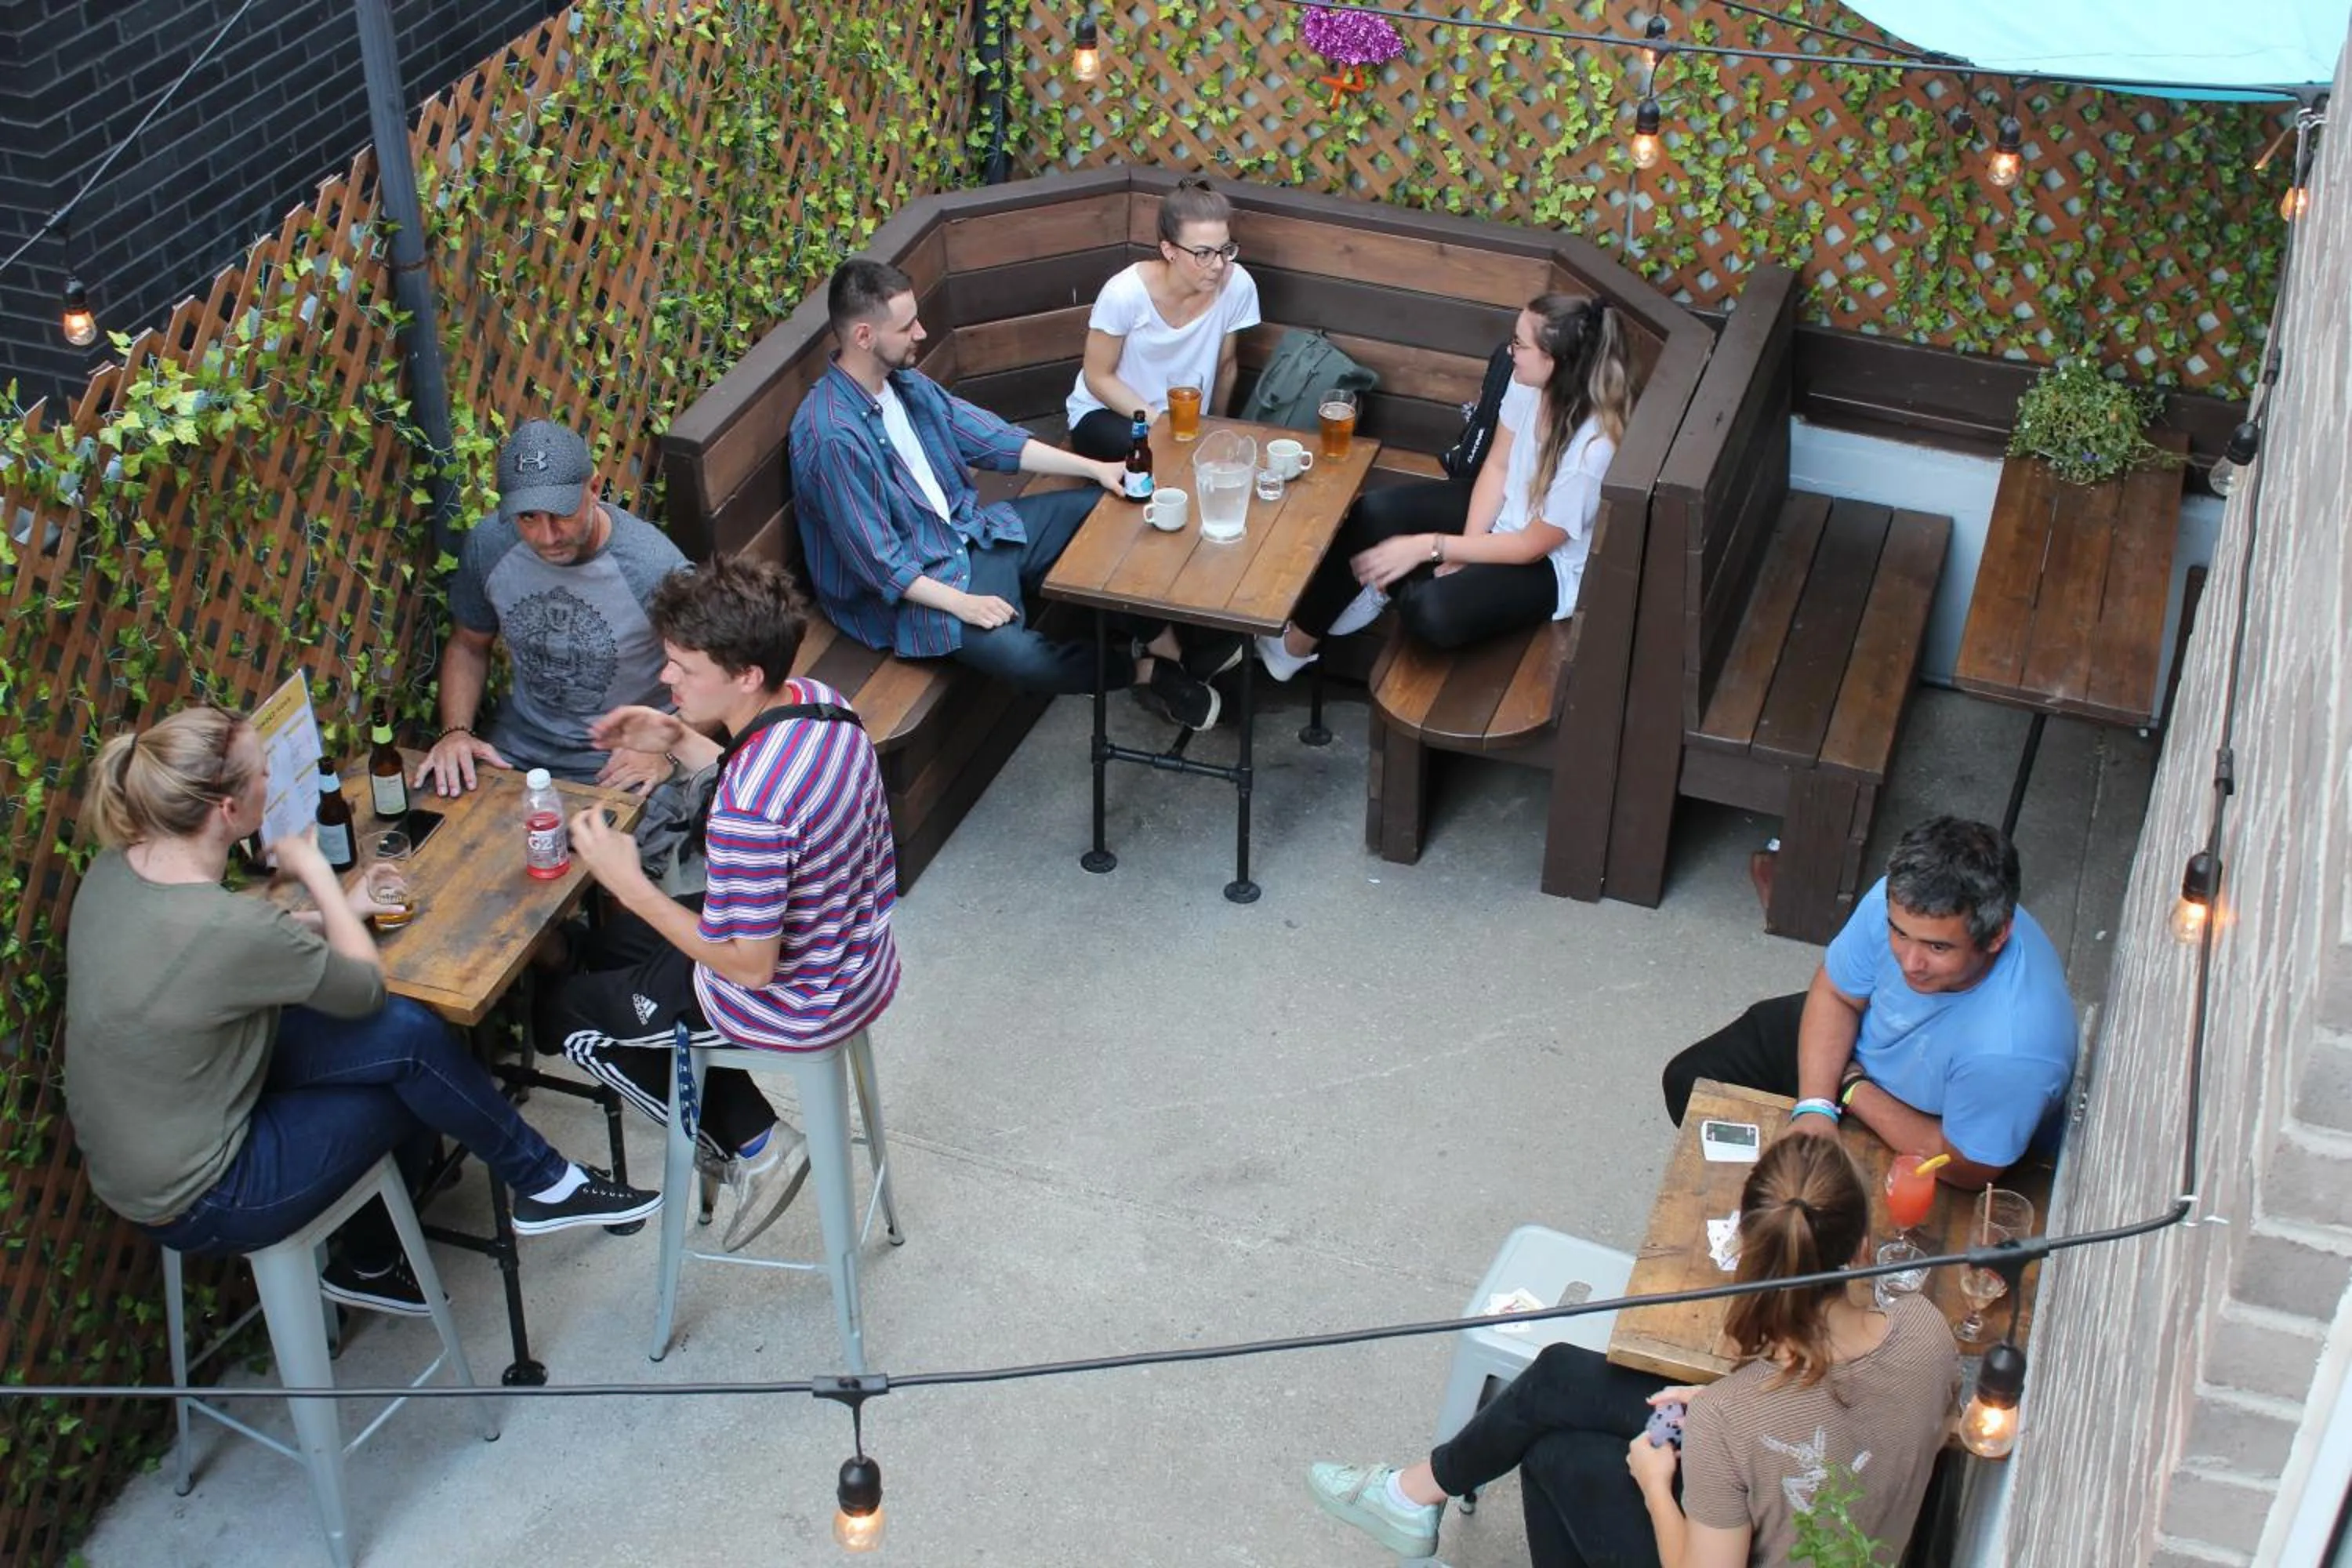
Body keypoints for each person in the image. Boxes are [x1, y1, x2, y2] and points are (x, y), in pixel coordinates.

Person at [63, 707, 660, 1316]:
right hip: (207, 1196)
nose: (272, 779)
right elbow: (360, 990)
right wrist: (320, 875)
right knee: (413, 1072)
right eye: (263, 771)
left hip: (162, 1133)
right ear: (227, 810)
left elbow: (249, 943)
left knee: (408, 1038)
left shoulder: (120, 869)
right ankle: (489, 1207)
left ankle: (504, 1200)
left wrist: (342, 910)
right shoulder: (224, 926)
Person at [1306, 1136, 1958, 1566]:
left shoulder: (1735, 1421)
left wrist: (1654, 1484)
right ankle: (1413, 1495)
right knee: (1562, 1374)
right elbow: (1852, 1405)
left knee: (1555, 1453)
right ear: (1865, 1246)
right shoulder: (1926, 1327)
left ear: (1754, 1259)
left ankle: (1410, 1496)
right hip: (1846, 1518)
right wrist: (1719, 1404)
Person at [542, 554, 902, 1254]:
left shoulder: (748, 810)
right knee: (612, 952)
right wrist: (677, 737)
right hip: (857, 951)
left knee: (562, 1015)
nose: (665, 680)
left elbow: (750, 967)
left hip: (800, 996)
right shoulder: (820, 701)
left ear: (744, 676)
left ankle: (757, 1147)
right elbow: (762, 784)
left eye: (682, 666)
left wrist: (630, 885)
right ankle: (751, 1133)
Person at [791, 257, 1234, 731]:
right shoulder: (830, 437)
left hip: (970, 533)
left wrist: (1098, 469)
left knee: (1121, 513)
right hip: (919, 592)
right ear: (863, 336)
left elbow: (994, 441)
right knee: (1025, 659)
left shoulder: (903, 384)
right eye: (907, 326)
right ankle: (1145, 672)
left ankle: (1162, 642)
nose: (921, 332)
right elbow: (880, 566)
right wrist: (964, 604)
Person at [1661, 816, 2078, 1189]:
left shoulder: (2012, 1050)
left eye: (1936, 946)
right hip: (1863, 1048)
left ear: (1996, 936)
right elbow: (1837, 992)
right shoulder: (1901, 901)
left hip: (1925, 1117)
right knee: (1690, 1080)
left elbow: (1965, 1168)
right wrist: (1815, 1109)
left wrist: (1850, 1089)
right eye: (1899, 934)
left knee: (1834, 1205)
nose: (1910, 963)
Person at [1255, 292, 1632, 681]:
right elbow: (1499, 465)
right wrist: (1468, 548)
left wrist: (1429, 546)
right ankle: (1294, 648)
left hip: (1546, 567)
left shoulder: (1593, 448)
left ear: (1555, 361)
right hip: (1503, 513)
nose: (1510, 350)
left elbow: (1529, 547)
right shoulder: (1529, 383)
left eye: (1520, 344)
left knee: (1430, 612)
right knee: (1374, 512)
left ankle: (1390, 582)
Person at [412, 419, 699, 875]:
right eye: (528, 518)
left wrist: (666, 748)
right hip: (521, 750)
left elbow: (717, 677)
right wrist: (456, 734)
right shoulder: (490, 545)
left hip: (623, 761)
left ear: (594, 486)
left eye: (561, 514)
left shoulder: (653, 568)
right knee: (451, 858)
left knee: (653, 879)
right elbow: (469, 645)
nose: (546, 536)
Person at [1062, 176, 1261, 460]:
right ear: (1169, 251)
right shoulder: (1125, 293)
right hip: (1108, 413)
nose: (1218, 265)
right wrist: (1159, 422)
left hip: (1185, 424)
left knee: (1223, 464)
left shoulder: (1237, 285)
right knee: (1162, 459)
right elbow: (1098, 377)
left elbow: (1226, 366)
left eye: (1225, 250)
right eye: (1203, 253)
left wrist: (1217, 429)